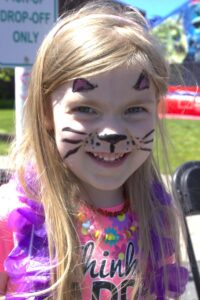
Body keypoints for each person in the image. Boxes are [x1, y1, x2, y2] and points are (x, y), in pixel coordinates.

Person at [0, 0, 188, 299]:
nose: (112, 132)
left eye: (135, 109)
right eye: (86, 108)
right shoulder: (12, 216)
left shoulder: (157, 212)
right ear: (47, 113)